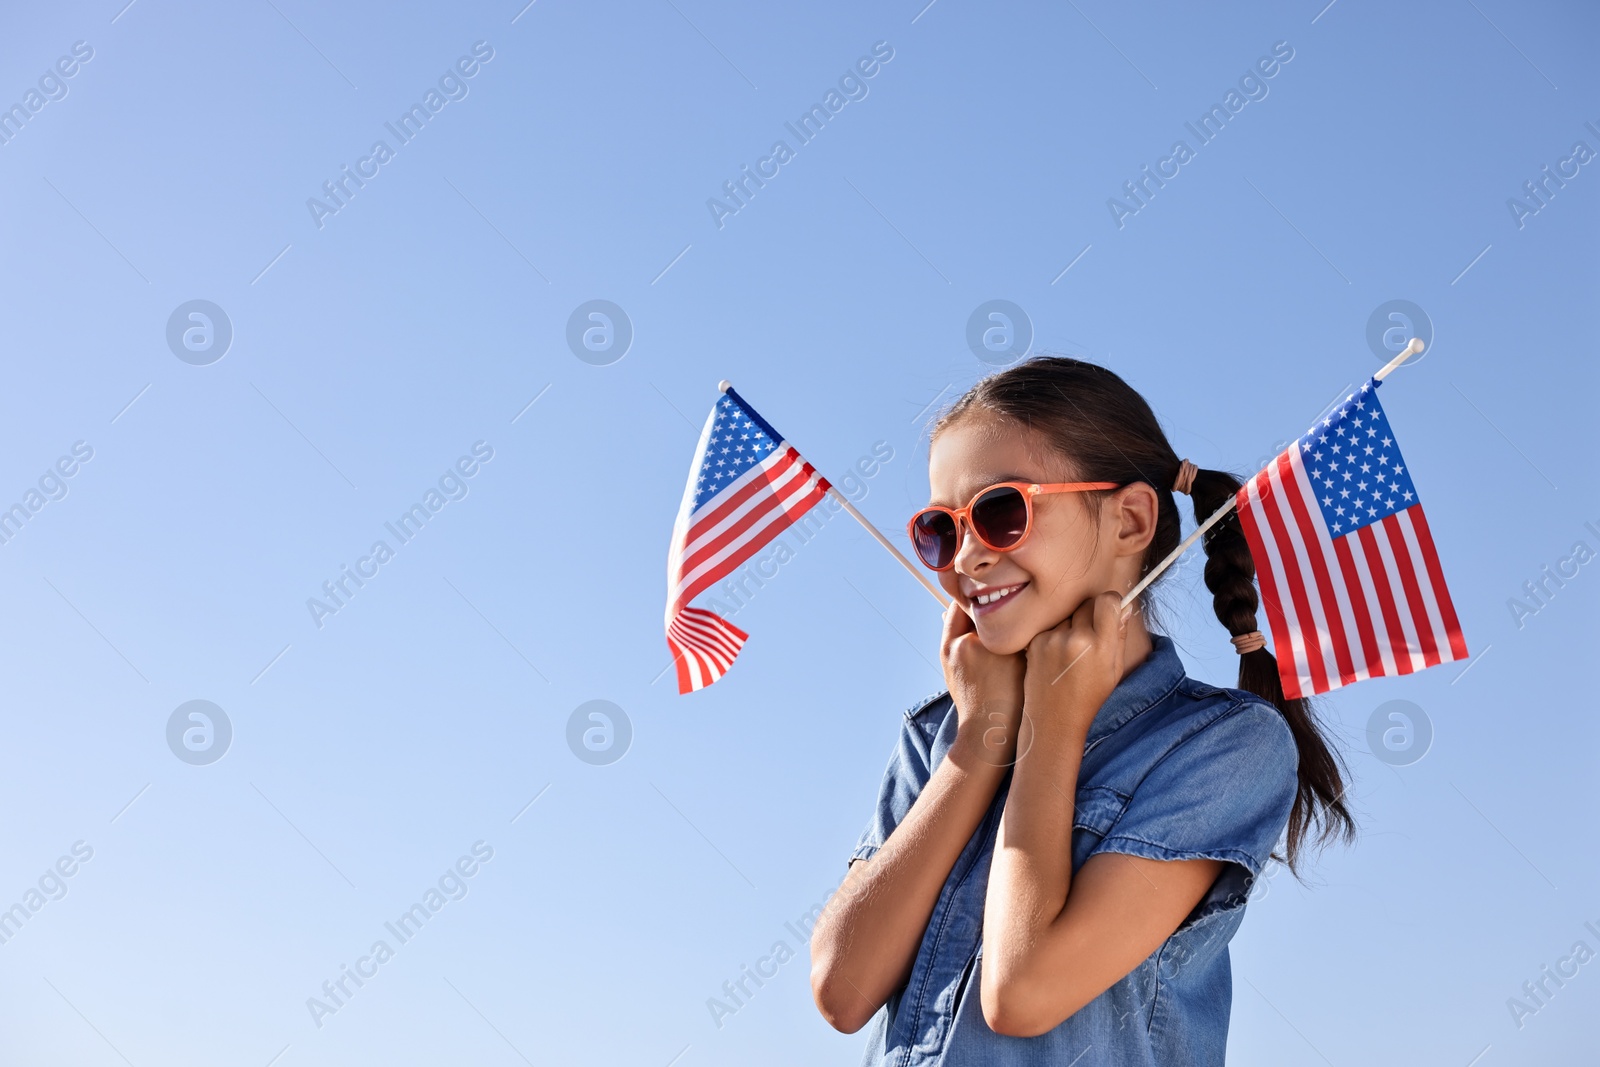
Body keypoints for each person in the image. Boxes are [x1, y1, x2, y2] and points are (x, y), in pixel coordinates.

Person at [810, 356, 1354, 1065]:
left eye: (1001, 512)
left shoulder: (1227, 744)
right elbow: (842, 990)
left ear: (1129, 520)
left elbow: (1023, 990)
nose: (966, 558)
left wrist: (1051, 730)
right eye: (941, 527)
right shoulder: (937, 734)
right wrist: (978, 739)